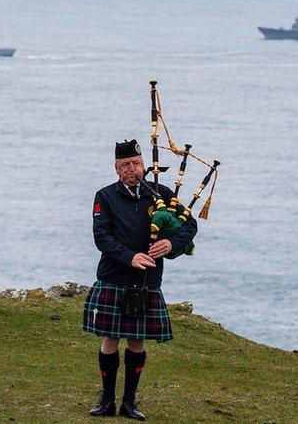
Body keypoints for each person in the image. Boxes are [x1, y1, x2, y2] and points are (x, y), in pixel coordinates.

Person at [82, 139, 197, 420]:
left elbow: (190, 224)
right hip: (114, 277)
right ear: (116, 168)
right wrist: (130, 257)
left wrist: (171, 244)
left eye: (135, 163)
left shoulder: (161, 193)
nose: (131, 169)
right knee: (110, 340)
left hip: (147, 281)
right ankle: (107, 400)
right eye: (124, 165)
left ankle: (129, 403)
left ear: (143, 164)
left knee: (137, 342)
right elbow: (102, 238)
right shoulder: (105, 196)